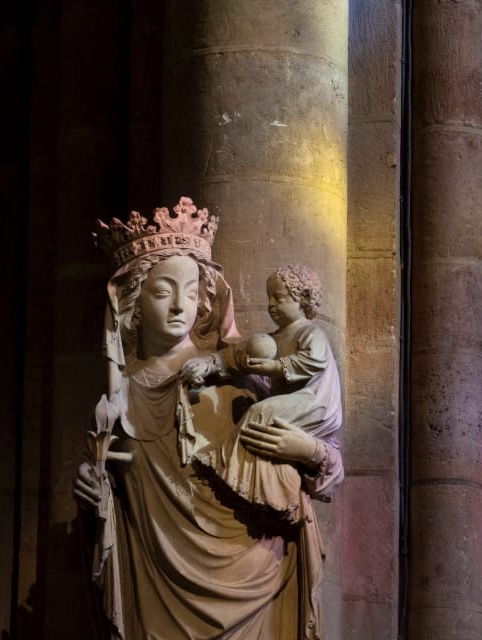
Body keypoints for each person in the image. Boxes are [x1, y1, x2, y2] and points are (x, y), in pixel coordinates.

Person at [73, 198, 342, 640]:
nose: (181, 305)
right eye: (163, 292)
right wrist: (91, 488)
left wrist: (308, 450)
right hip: (158, 583)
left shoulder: (232, 373)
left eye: (193, 292)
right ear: (133, 304)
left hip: (257, 572)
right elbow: (111, 501)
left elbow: (327, 468)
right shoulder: (118, 400)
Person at [179, 265, 342, 516]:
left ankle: (229, 470)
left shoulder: (311, 333)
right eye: (269, 298)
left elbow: (313, 361)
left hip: (314, 402)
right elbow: (239, 355)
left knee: (261, 411)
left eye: (278, 298)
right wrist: (211, 363)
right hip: (294, 405)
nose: (271, 305)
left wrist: (275, 367)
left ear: (303, 300)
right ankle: (237, 473)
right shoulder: (273, 339)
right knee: (260, 413)